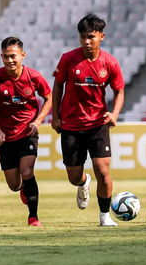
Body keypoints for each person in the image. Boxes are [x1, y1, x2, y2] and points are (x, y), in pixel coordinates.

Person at [52, 14, 125, 227]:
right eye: (83, 36)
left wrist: (114, 114)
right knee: (74, 177)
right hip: (71, 126)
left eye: (91, 37)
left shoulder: (110, 63)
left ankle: (104, 216)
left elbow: (119, 91)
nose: (86, 41)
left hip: (97, 125)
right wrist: (55, 116)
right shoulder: (68, 59)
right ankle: (84, 183)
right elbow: (58, 86)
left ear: (101, 36)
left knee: (103, 170)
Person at [0, 37, 52, 226]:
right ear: (1, 56)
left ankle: (33, 216)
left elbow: (49, 98)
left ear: (22, 55)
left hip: (27, 133)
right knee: (14, 185)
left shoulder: (34, 77)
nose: (9, 60)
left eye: (13, 56)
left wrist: (37, 122)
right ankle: (23, 188)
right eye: (6, 57)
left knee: (27, 171)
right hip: (5, 136)